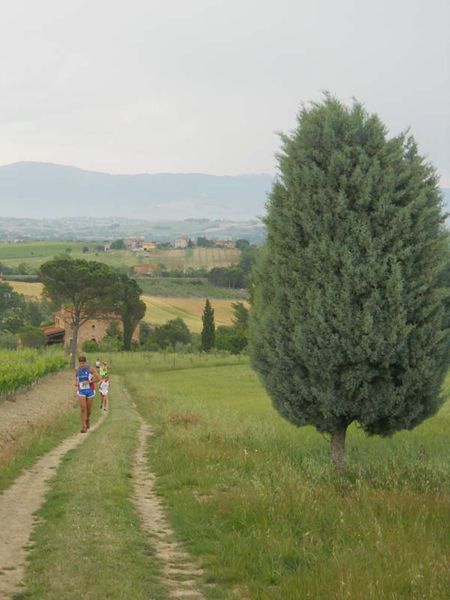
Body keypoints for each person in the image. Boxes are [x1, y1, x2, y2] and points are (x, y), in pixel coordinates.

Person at [75, 355, 100, 433]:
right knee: (83, 409)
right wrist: (76, 383)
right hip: (81, 391)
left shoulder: (90, 369)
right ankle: (84, 426)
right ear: (79, 363)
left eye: (83, 363)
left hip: (90, 391)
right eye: (80, 363)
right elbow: (76, 378)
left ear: (86, 362)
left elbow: (99, 378)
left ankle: (87, 419)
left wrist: (89, 382)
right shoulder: (77, 369)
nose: (82, 365)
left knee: (88, 410)